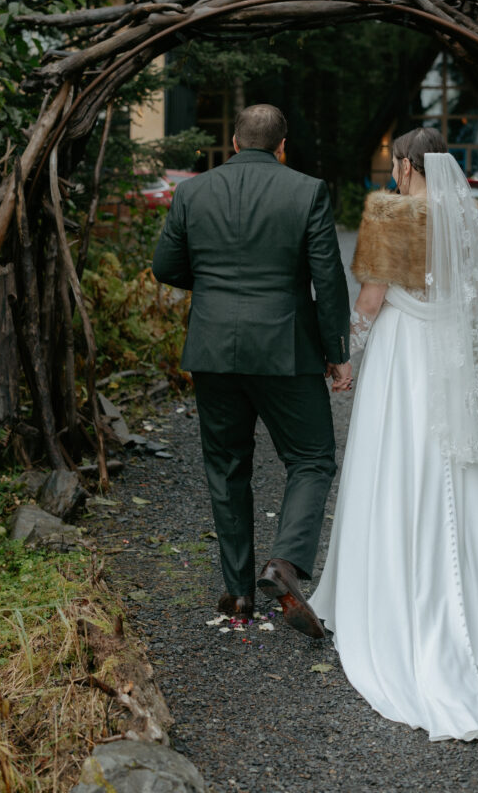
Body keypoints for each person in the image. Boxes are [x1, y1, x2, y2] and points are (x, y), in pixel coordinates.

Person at [309, 127, 478, 739]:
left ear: (407, 165)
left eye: (395, 164)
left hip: (404, 354)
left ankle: (387, 597)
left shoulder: (389, 211)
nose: (392, 174)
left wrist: (344, 352)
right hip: (449, 354)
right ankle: (466, 608)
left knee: (394, 463)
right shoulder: (469, 217)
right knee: (446, 468)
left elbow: (374, 298)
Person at [153, 104, 351, 639]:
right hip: (285, 347)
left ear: (235, 143)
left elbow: (166, 267)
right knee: (311, 457)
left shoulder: (192, 193)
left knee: (226, 464)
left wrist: (218, 289)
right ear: (282, 146)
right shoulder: (306, 191)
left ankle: (238, 592)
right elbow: (327, 277)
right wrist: (337, 350)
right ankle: (283, 563)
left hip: (213, 348)